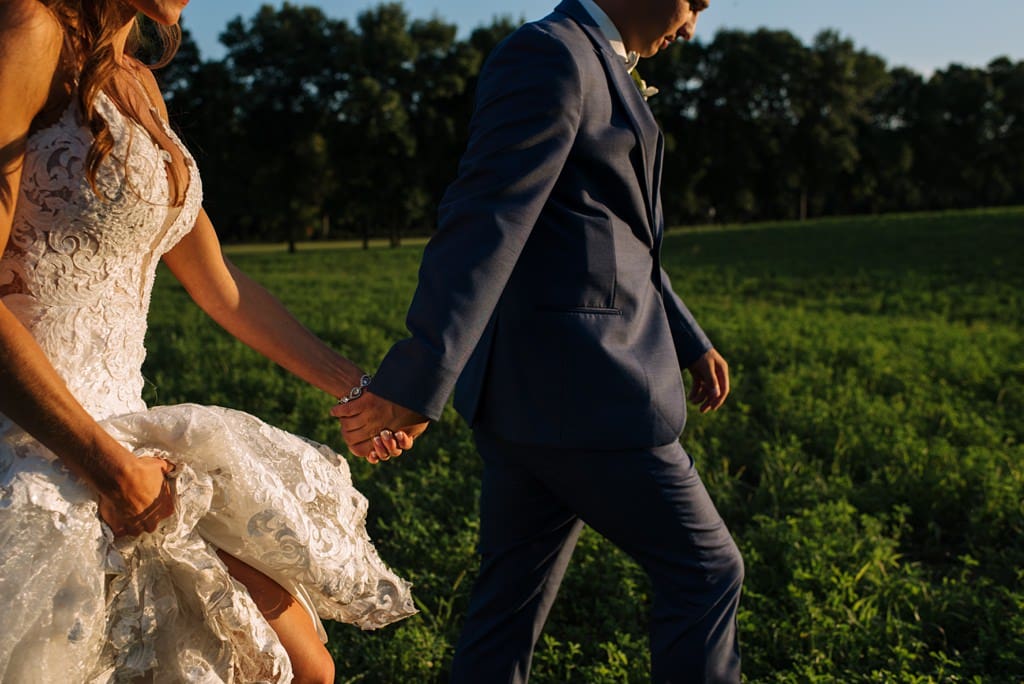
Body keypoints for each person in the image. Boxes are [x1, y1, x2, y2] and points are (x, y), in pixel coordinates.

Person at [0, 1, 417, 682]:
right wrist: (105, 467)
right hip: (41, 442)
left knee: (299, 663)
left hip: (135, 440)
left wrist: (360, 389)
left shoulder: (136, 80)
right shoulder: (25, 30)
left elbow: (218, 283)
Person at [334, 0, 744, 681]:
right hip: (591, 395)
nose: (693, 25)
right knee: (707, 570)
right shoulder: (550, 54)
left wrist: (685, 333)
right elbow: (486, 221)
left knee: (509, 608)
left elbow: (611, 230)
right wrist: (419, 379)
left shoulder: (594, 59)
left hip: (530, 401)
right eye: (693, 1)